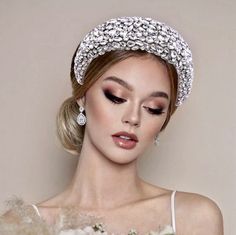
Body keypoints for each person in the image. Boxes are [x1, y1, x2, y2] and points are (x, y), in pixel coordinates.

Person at [0, 16, 223, 235]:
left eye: (153, 108)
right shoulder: (21, 226)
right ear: (82, 97)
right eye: (116, 97)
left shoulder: (193, 218)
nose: (133, 118)